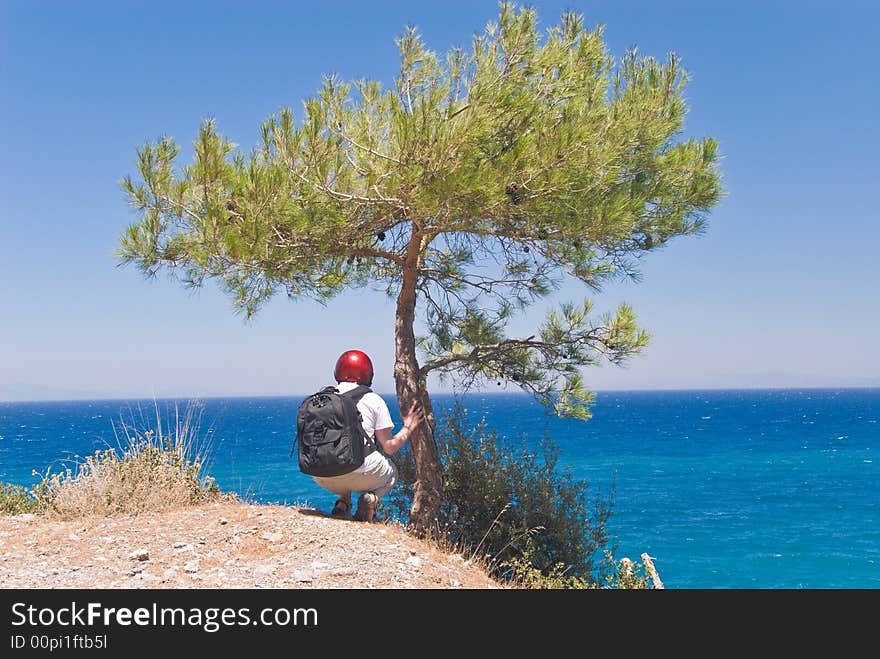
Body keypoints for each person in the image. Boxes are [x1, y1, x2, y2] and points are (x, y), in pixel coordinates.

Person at [311, 349, 425, 523]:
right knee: (392, 472)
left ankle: (342, 503)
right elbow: (389, 446)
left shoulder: (322, 398)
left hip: (321, 474)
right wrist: (408, 427)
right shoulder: (373, 400)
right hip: (360, 473)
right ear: (367, 374)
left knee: (340, 452)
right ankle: (371, 499)